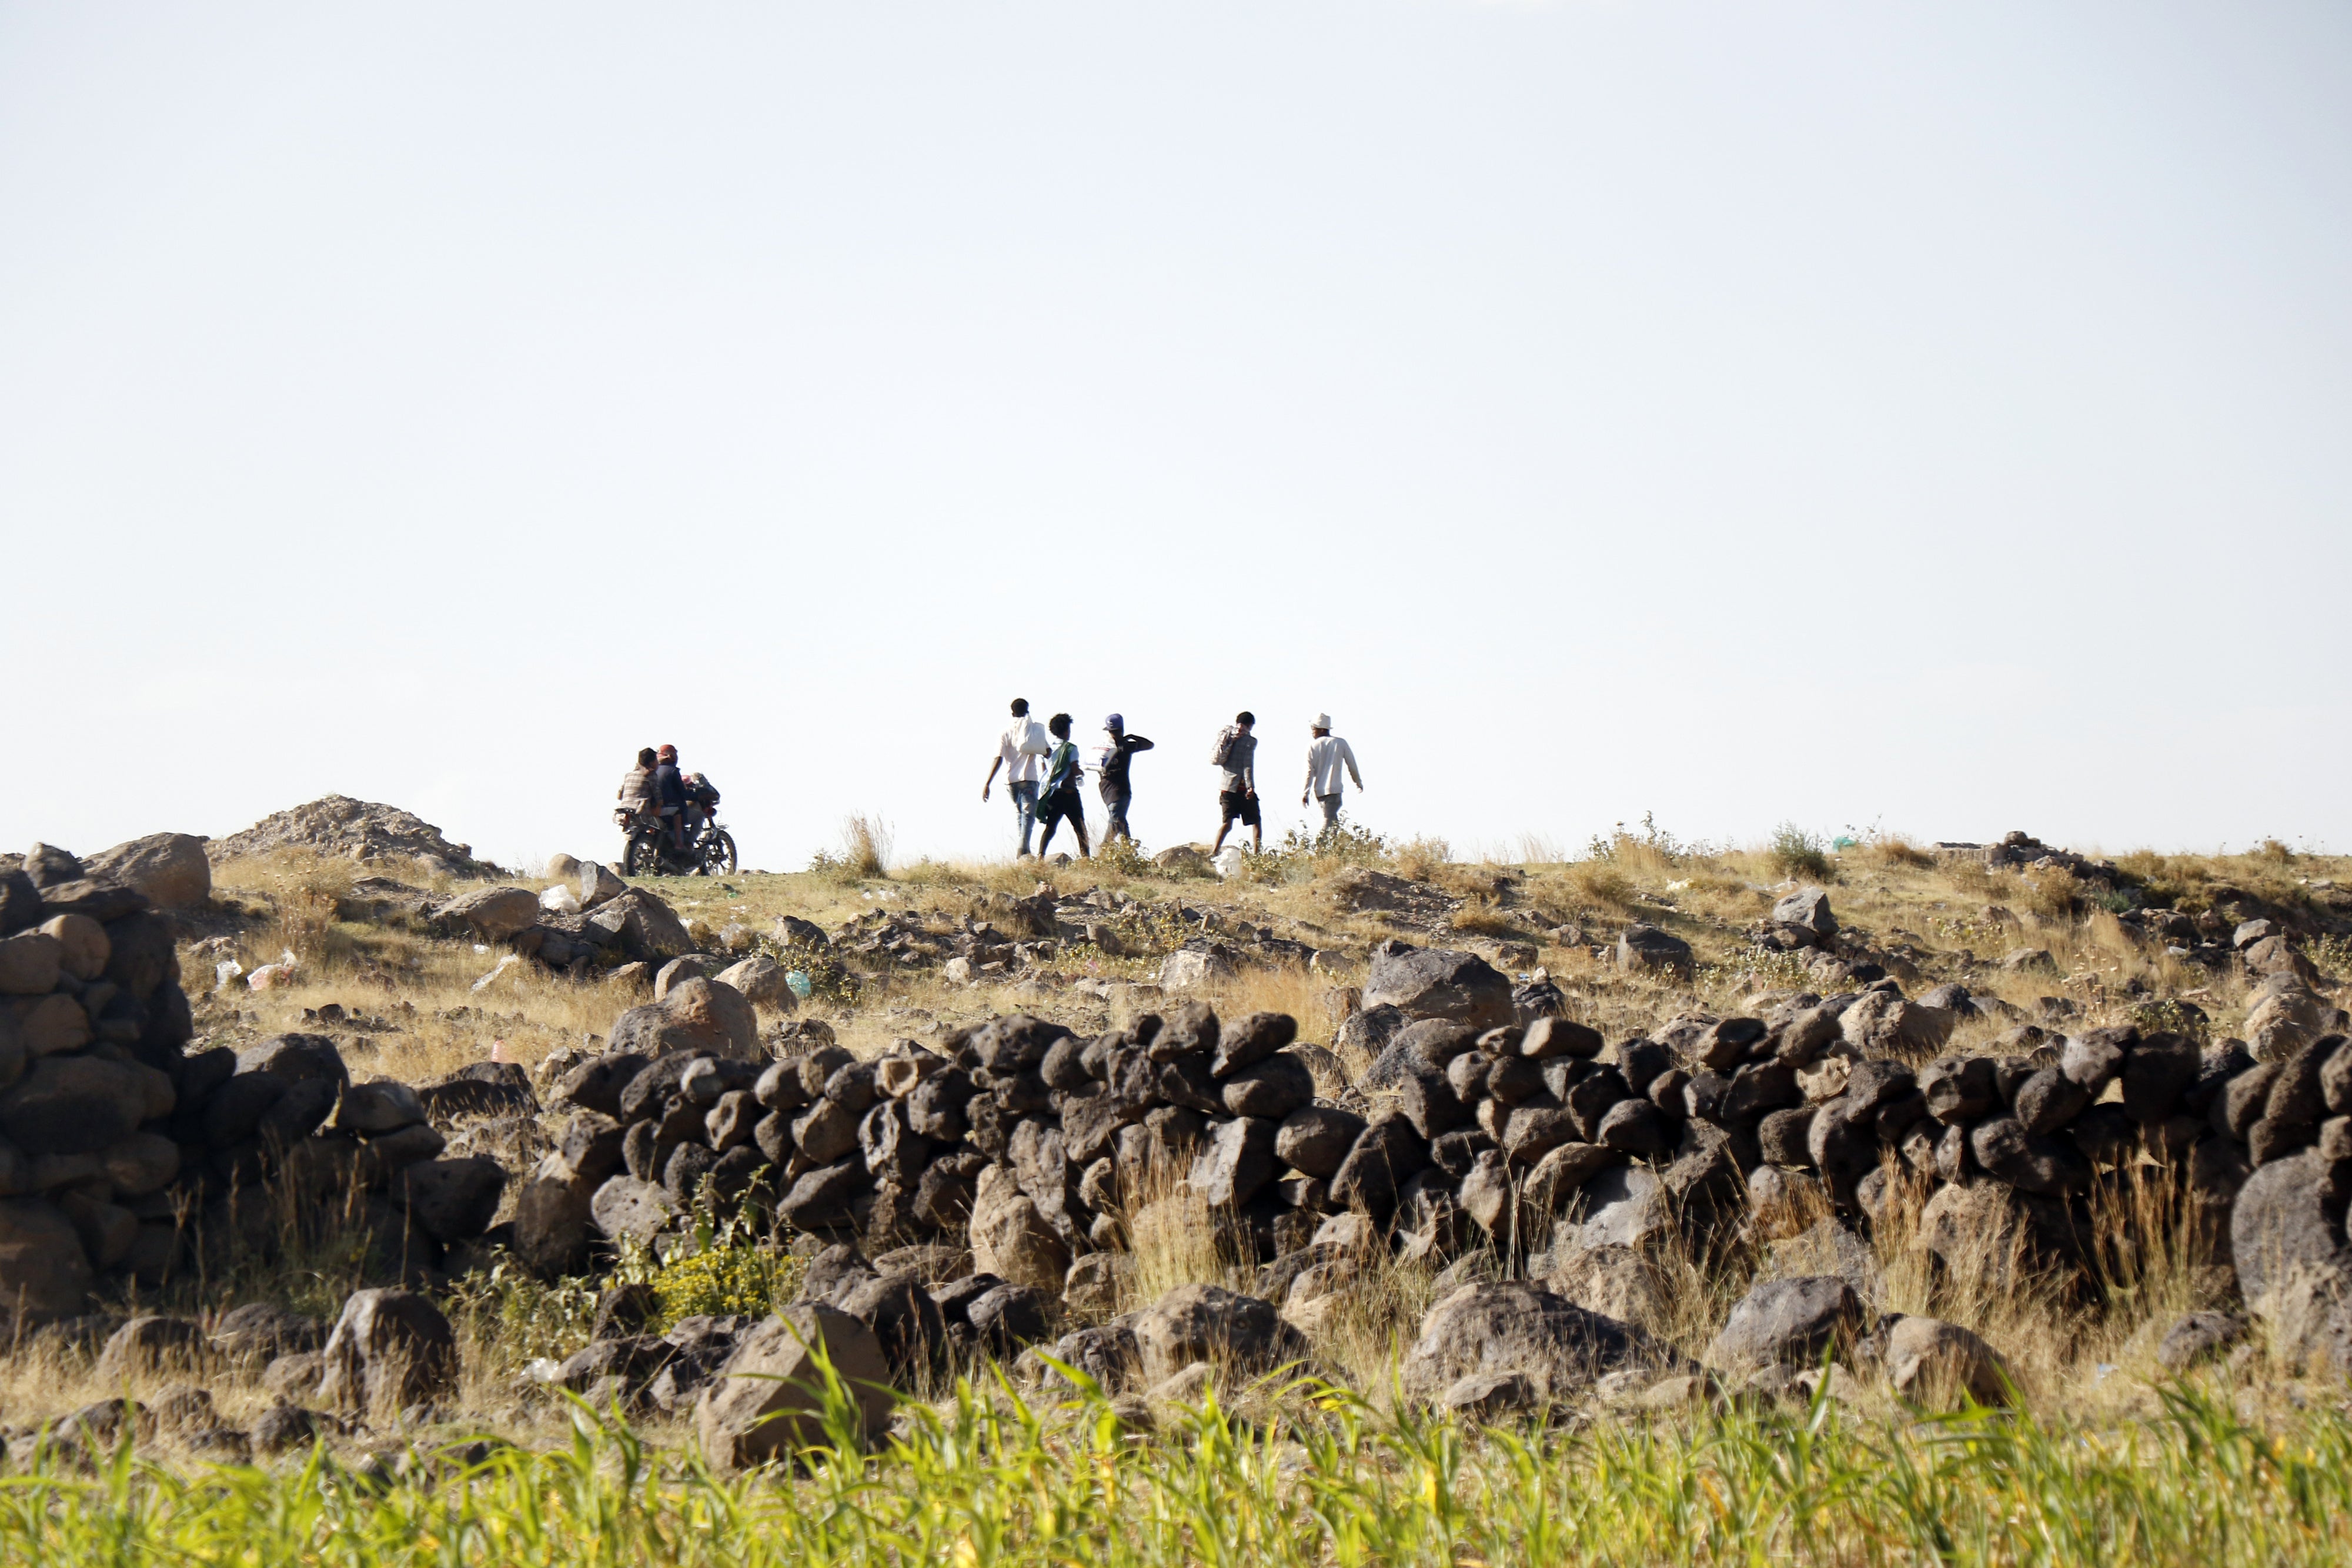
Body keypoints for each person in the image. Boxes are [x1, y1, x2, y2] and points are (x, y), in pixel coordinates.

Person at [980, 698, 1051, 856]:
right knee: (1028, 816)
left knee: (1020, 815)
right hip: (1029, 779)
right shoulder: (1032, 730)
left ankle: (1024, 852)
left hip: (1011, 782)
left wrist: (988, 783)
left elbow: (998, 758)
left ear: (1012, 713)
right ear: (1028, 711)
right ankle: (1022, 849)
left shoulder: (1005, 733)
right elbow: (1048, 753)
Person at [1033, 713, 1091, 858]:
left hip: (1053, 794)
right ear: (1066, 731)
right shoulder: (1071, 749)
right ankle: (1086, 858)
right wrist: (1081, 774)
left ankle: (1041, 855)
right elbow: (1075, 769)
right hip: (1069, 793)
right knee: (1080, 828)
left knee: (1051, 827)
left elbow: (1045, 772)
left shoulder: (1046, 749)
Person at [1095, 714, 1155, 844]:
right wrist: (1132, 737)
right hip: (1120, 792)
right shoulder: (1126, 746)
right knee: (1118, 821)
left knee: (1118, 820)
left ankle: (1121, 849)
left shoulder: (1104, 747)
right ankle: (1112, 850)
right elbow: (1149, 745)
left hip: (1110, 792)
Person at [1209, 710, 1261, 855]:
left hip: (1226, 787)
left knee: (1227, 823)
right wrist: (1250, 787)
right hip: (1242, 787)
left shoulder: (1228, 735)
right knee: (1256, 822)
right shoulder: (1250, 741)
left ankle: (1214, 851)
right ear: (1250, 725)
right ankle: (1257, 855)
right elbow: (1248, 765)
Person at [1301, 714, 1364, 828]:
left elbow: (1309, 772)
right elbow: (1352, 765)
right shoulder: (1340, 743)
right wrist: (1358, 782)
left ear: (1321, 729)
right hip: (1334, 790)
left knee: (1332, 822)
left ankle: (1334, 844)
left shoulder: (1311, 746)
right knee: (1329, 821)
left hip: (1319, 791)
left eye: (1313, 729)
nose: (1312, 732)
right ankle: (1321, 844)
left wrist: (1306, 792)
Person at [652, 744, 689, 854]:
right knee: (678, 811)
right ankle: (679, 844)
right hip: (660, 808)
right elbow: (684, 794)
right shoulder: (672, 771)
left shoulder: (652, 771)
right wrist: (697, 795)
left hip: (646, 807)